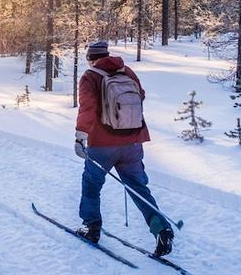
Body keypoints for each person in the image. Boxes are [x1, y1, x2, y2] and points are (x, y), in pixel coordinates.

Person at [73, 40, 174, 257]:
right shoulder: (127, 71)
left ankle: (91, 228)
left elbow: (88, 107)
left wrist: (80, 135)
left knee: (91, 185)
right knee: (138, 188)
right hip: (132, 142)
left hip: (102, 144)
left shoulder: (90, 76)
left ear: (91, 58)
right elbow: (141, 96)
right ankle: (162, 229)